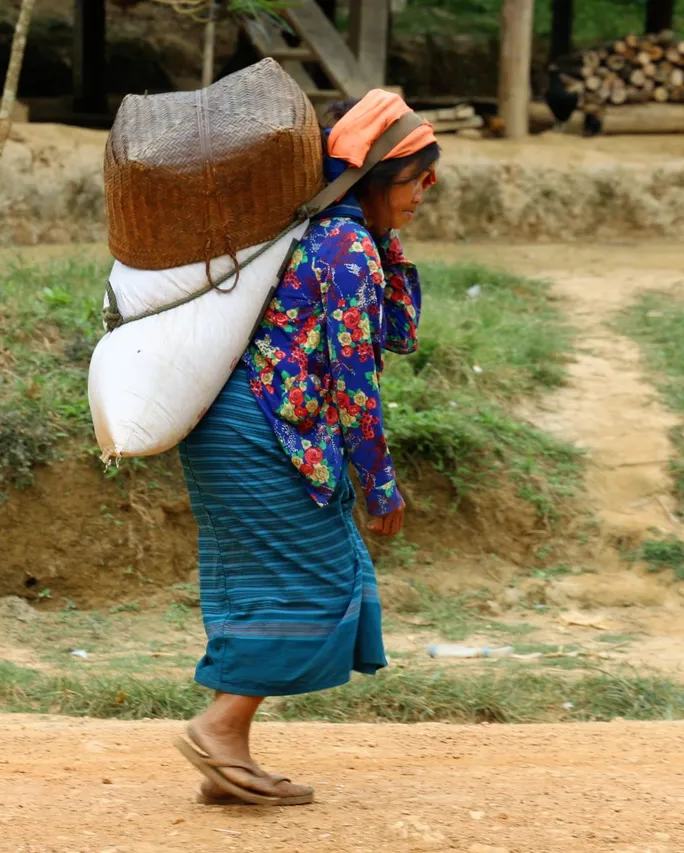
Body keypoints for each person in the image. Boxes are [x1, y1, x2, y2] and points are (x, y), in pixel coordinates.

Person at [172, 90, 440, 807]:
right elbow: (357, 381)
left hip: (239, 425)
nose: (426, 192)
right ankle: (219, 727)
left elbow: (395, 332)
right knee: (318, 581)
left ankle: (228, 759)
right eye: (415, 178)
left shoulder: (342, 235)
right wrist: (379, 484)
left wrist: (388, 237)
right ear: (378, 178)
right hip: (262, 429)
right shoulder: (344, 246)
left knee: (316, 575)